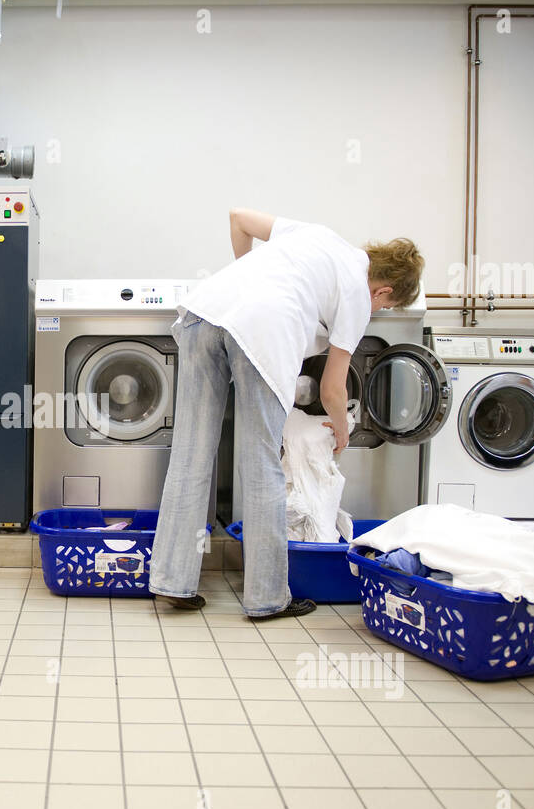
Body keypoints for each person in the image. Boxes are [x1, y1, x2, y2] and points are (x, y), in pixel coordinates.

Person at [148, 209, 425, 620]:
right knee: (262, 463)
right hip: (263, 331)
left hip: (206, 312)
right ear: (383, 291)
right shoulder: (356, 295)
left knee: (191, 453)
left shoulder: (319, 234)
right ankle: (266, 598)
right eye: (385, 305)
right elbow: (333, 387)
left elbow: (238, 218)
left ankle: (172, 581)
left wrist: (249, 284)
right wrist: (343, 432)